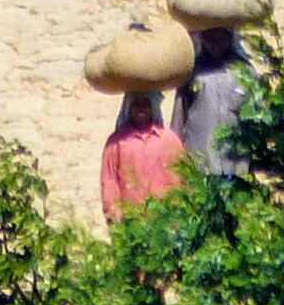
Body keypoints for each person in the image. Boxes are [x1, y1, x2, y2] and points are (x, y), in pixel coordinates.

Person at [172, 27, 253, 180]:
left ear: (230, 39)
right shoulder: (192, 71)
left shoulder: (245, 71)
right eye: (209, 39)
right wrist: (174, 150)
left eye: (220, 39)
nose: (215, 44)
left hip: (234, 160)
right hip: (200, 156)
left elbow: (255, 116)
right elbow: (179, 114)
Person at [100, 90, 188, 222]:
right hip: (130, 220)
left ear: (153, 108)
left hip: (166, 220)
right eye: (136, 104)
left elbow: (183, 176)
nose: (141, 108)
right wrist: (114, 213)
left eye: (145, 104)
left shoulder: (169, 139)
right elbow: (109, 180)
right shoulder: (116, 142)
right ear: (128, 108)